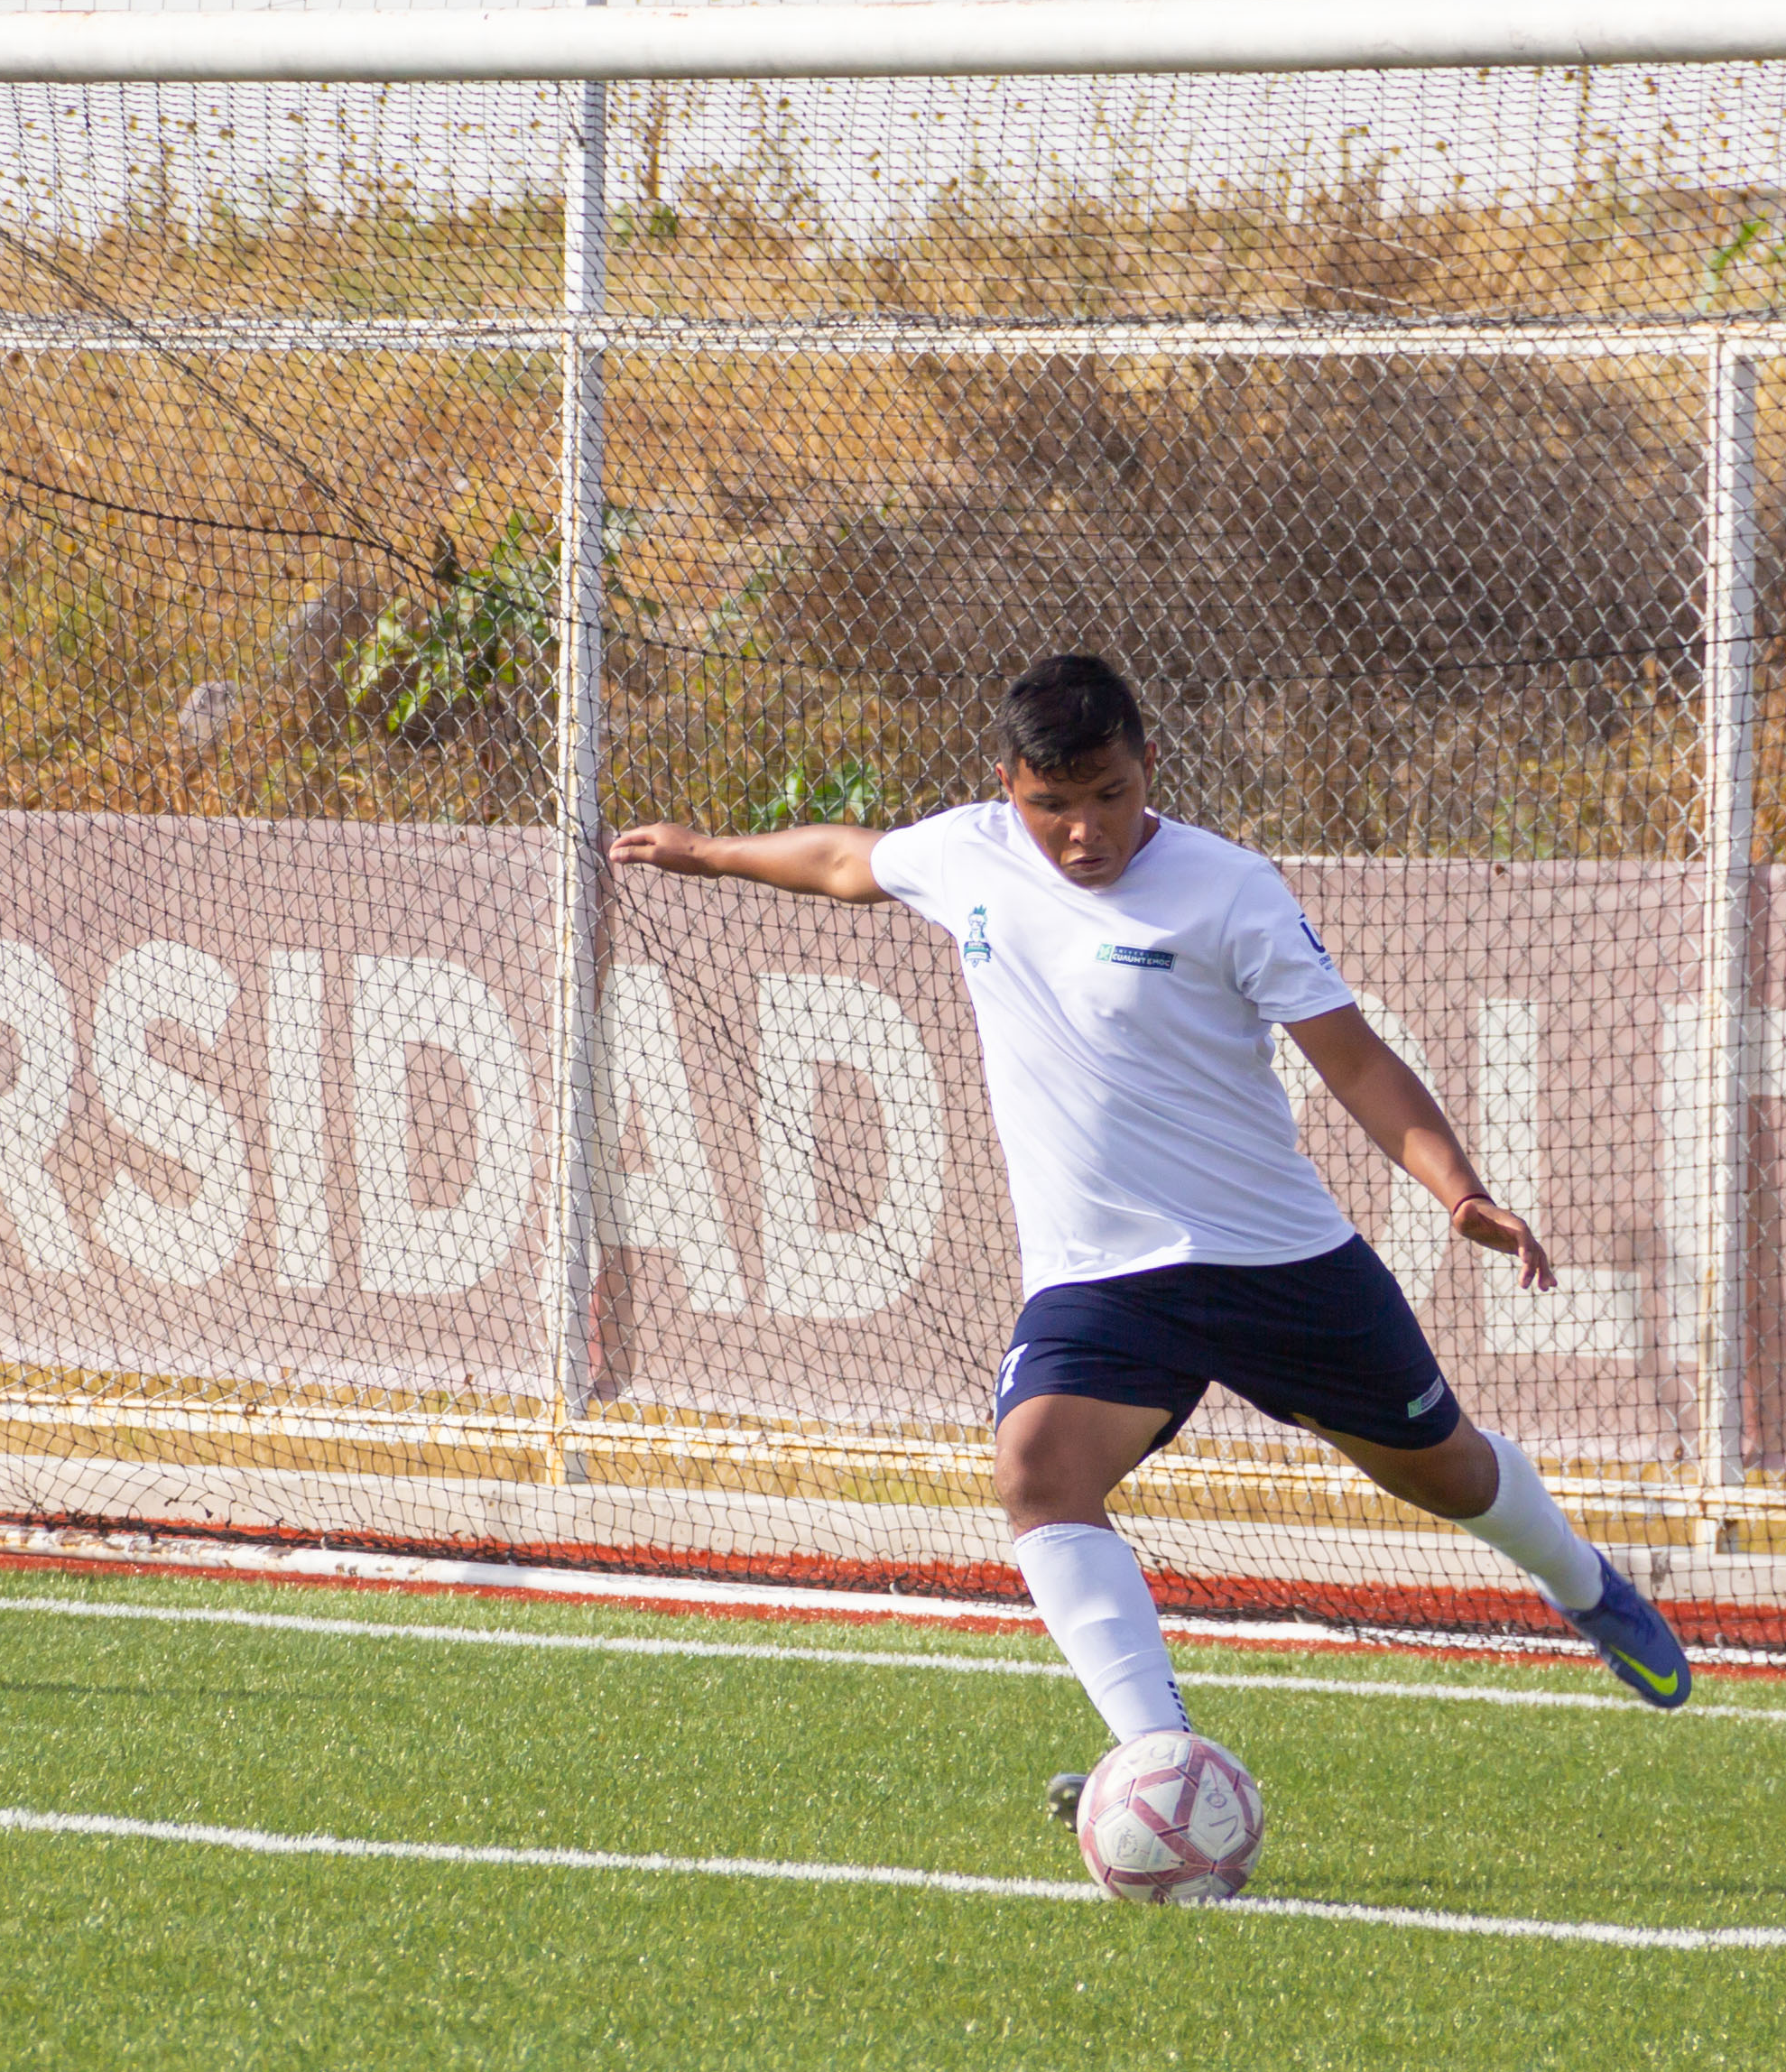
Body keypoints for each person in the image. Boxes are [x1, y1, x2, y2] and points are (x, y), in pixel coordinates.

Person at [606, 652, 1689, 1815]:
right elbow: (842, 859)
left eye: (1109, 796)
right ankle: (1164, 1767)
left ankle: (1583, 1585)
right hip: (1103, 1278)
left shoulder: (1229, 890)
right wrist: (709, 849)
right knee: (1036, 1472)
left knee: (1449, 1474)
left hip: (1279, 1264)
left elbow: (1356, 1059)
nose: (1083, 831)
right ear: (1010, 789)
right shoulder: (968, 852)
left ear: (1147, 769)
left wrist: (1456, 1188)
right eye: (1053, 805)